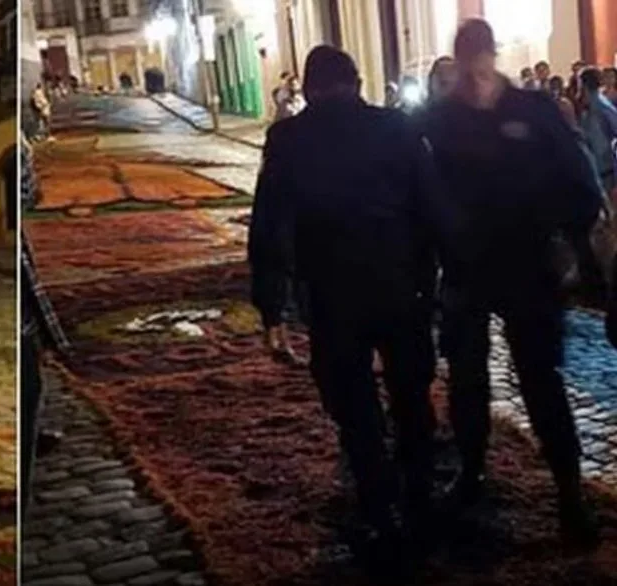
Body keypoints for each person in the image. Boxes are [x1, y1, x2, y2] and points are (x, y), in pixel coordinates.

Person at [250, 45, 458, 575]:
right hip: (400, 287)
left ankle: (379, 503)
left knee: (355, 407)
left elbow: (269, 225)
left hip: (332, 295)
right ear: (359, 81)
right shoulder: (399, 128)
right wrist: (445, 280)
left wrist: (270, 307)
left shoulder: (289, 139)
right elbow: (433, 206)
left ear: (309, 90)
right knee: (412, 395)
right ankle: (420, 493)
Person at [420, 19, 602, 548]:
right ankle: (474, 476)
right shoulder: (439, 119)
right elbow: (423, 190)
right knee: (468, 380)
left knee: (539, 382)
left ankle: (569, 494)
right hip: (467, 269)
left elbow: (577, 179)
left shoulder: (532, 110)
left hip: (525, 267)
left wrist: (565, 238)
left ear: (487, 56)